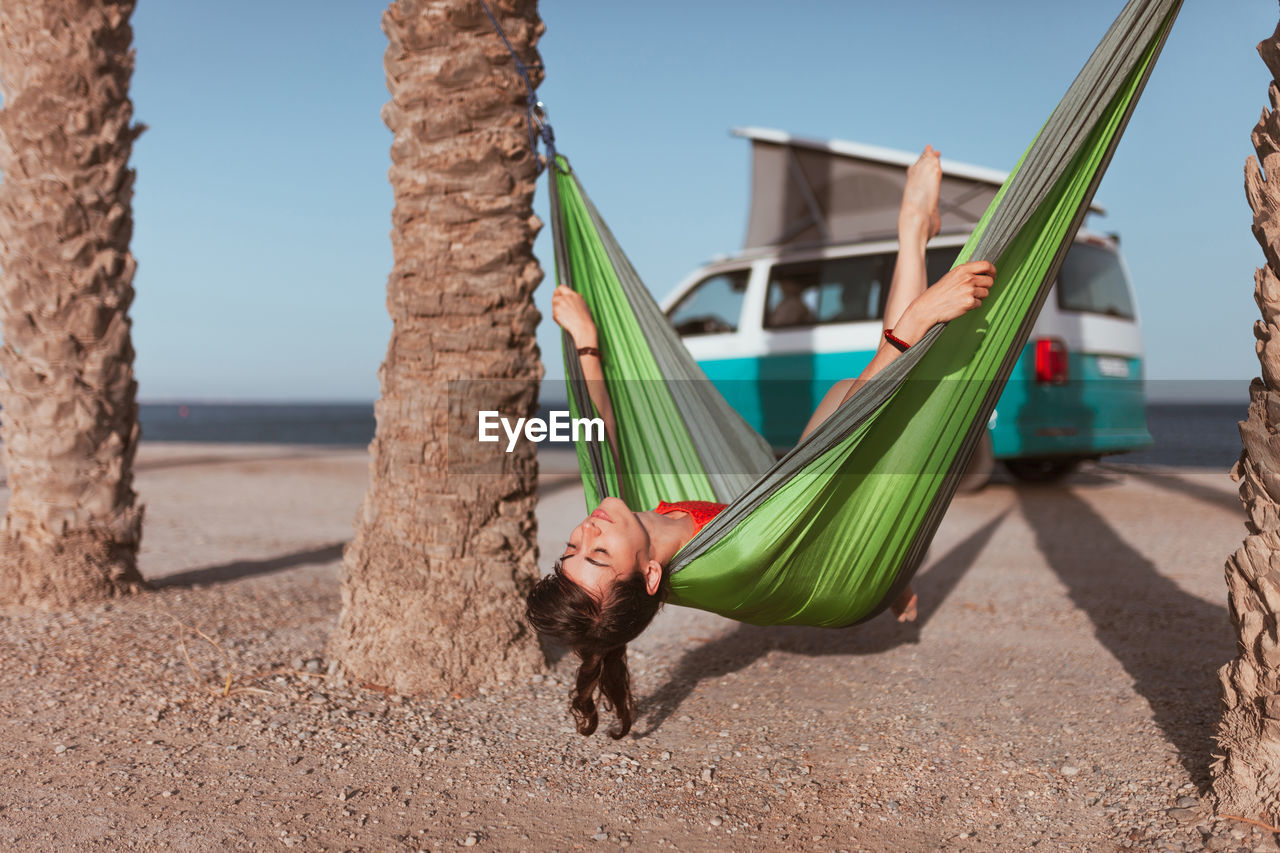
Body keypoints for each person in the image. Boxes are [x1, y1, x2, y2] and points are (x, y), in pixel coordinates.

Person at [526, 146, 995, 738]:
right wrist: (918, 321)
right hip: (836, 564)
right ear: (649, 577)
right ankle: (911, 236)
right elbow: (823, 466)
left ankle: (911, 235)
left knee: (849, 391)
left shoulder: (633, 524)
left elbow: (602, 434)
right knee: (877, 403)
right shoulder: (730, 555)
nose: (586, 531)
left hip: (797, 505)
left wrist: (588, 342)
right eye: (597, 555)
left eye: (571, 547)